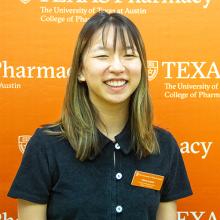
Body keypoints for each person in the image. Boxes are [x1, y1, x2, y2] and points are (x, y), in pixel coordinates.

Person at [7, 11, 193, 220]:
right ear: (80, 71)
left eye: (129, 55)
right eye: (102, 56)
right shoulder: (45, 146)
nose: (117, 67)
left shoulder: (163, 145)